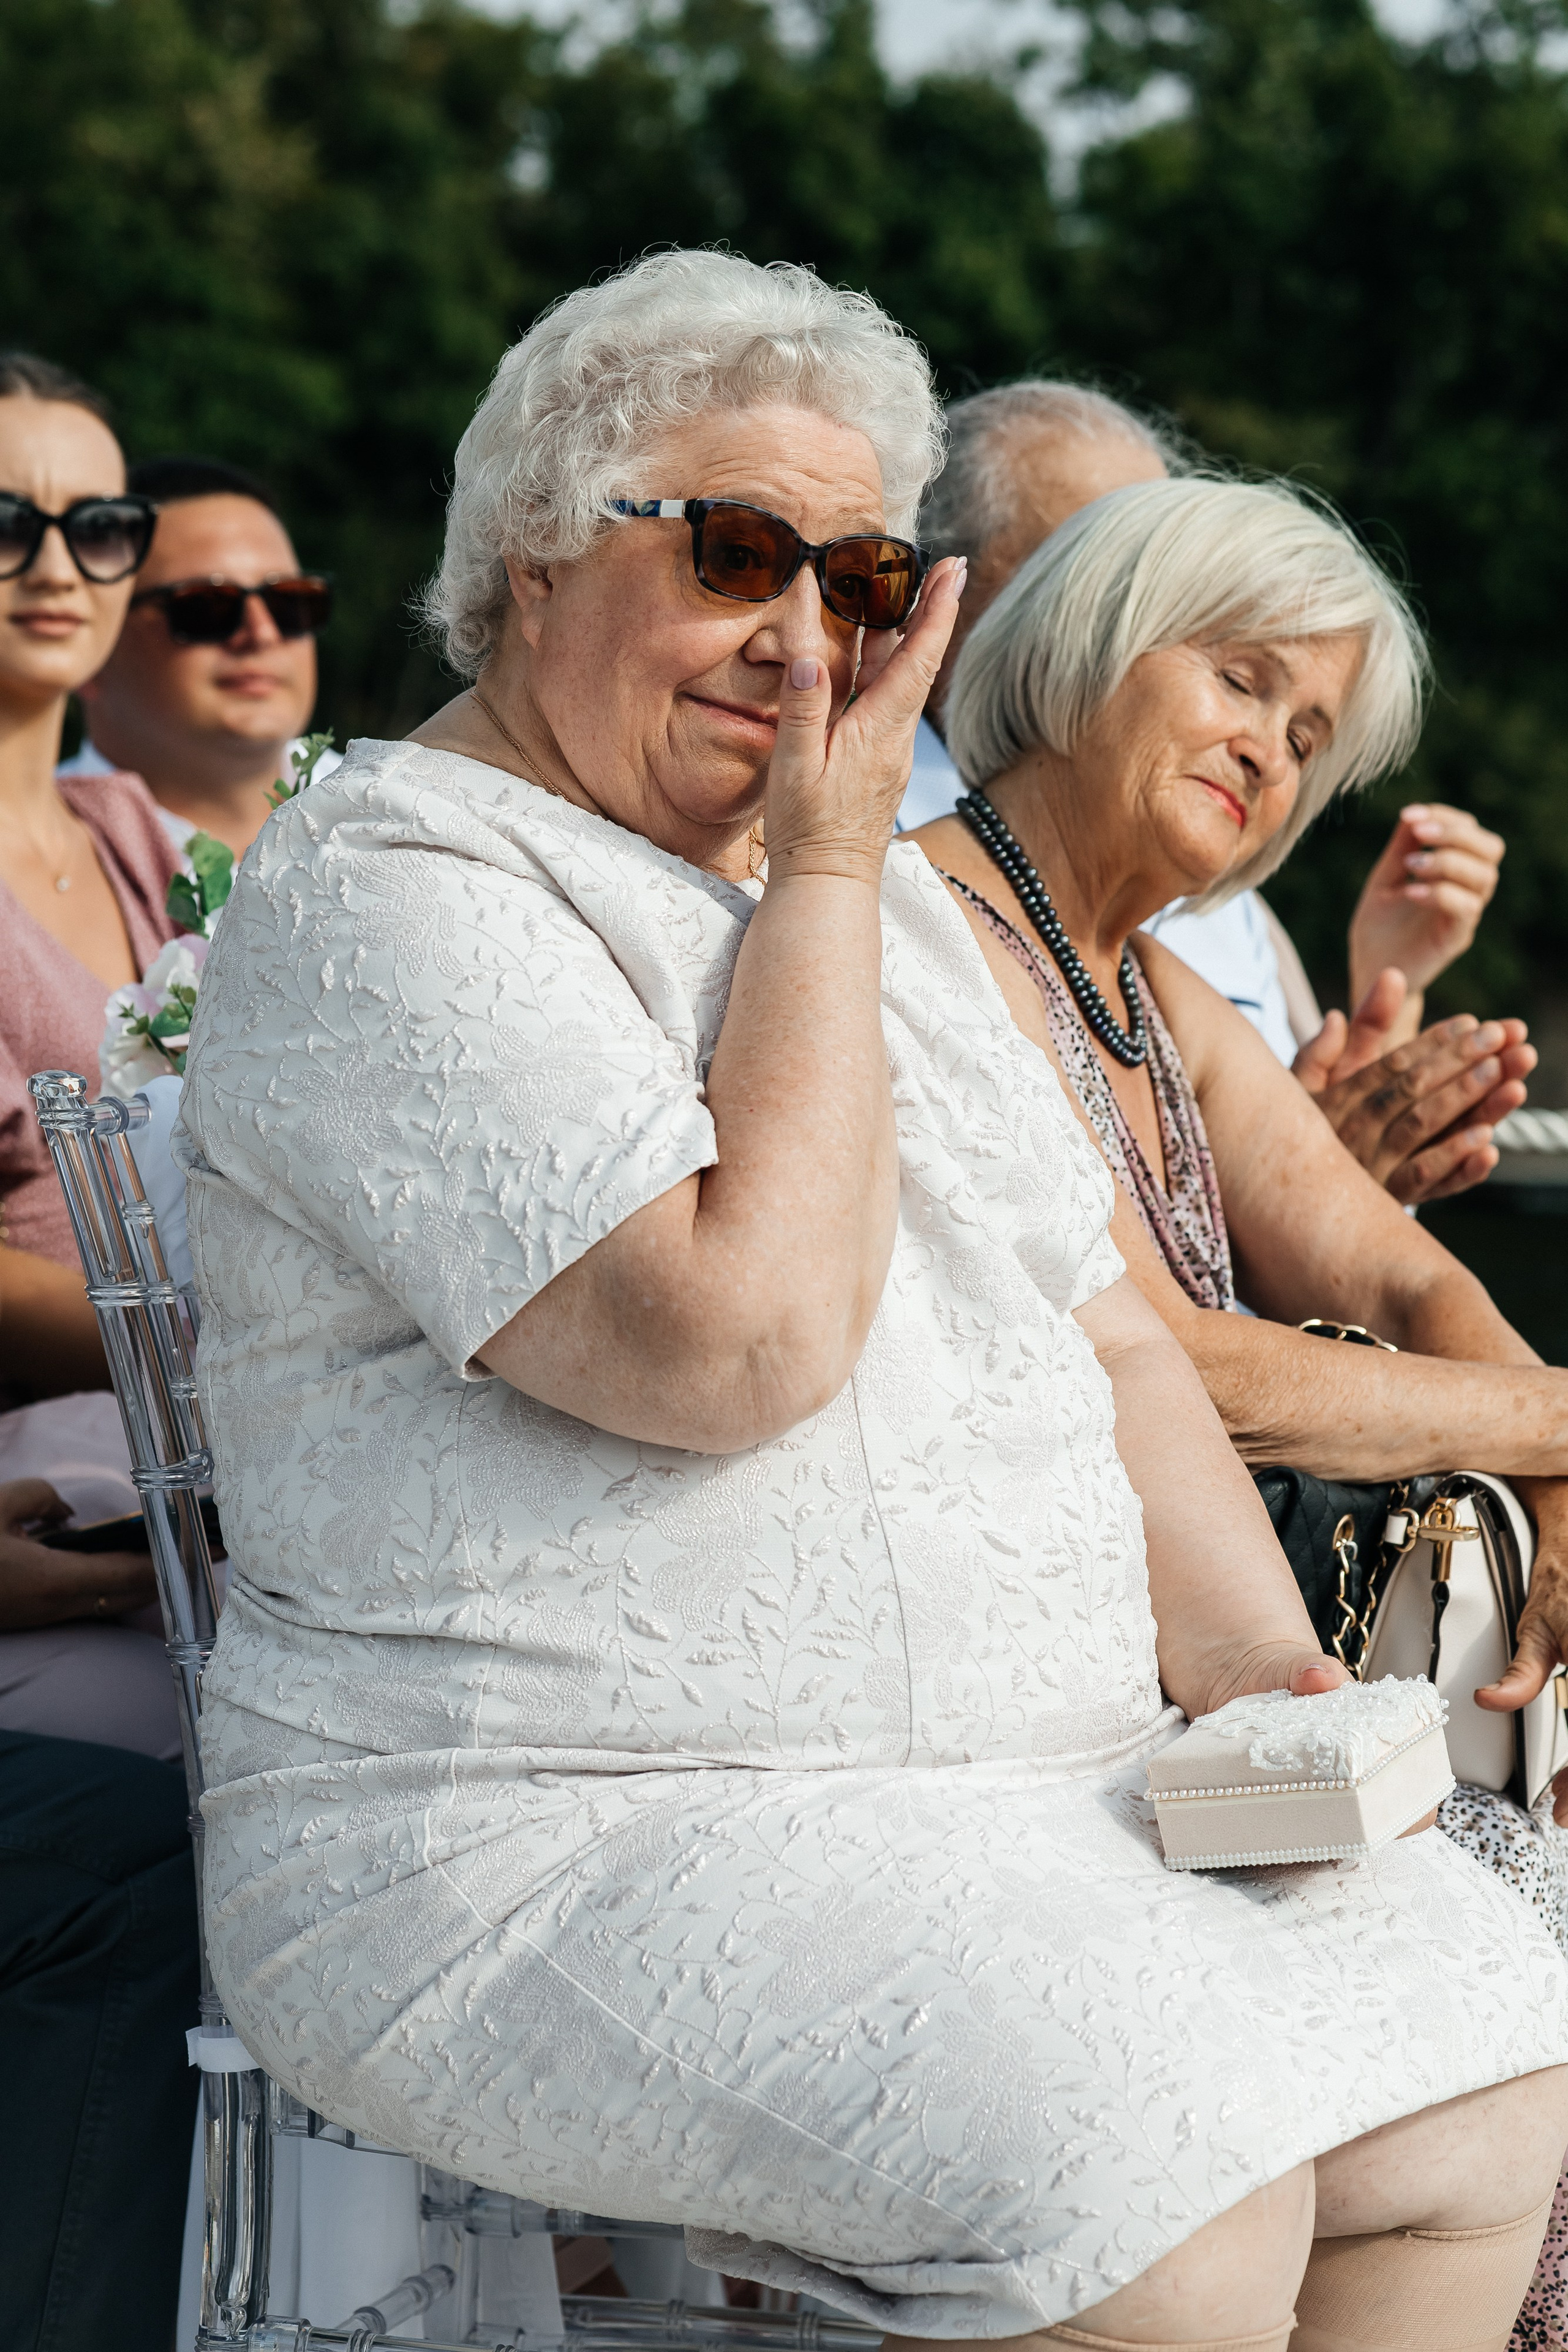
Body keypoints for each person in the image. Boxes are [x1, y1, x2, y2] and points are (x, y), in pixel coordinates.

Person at [181, 251, 1568, 2352]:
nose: (805, 634)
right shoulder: (401, 881)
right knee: (1154, 2189)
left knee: (1480, 2067)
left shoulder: (860, 912)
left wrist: (1267, 1679)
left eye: (858, 579)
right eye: (741, 550)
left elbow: (1098, 1327)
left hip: (1021, 1804)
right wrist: (830, 874)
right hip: (534, 1840)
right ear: (534, 551)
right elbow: (733, 1348)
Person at [916, 472, 1568, 1738]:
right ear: (1088, 633)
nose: (1270, 749)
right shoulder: (920, 925)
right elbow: (1175, 1367)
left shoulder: (1159, 994)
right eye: (1239, 680)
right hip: (1029, 1662)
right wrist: (1557, 1418)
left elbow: (1406, 1284)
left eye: (1306, 738)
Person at [904, 382, 1526, 1207]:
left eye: (1307, 741)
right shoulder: (858, 855)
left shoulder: (1228, 913)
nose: (1269, 754)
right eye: (1090, 554)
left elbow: (1341, 1231)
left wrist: (1392, 984)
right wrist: (1285, 1208)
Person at [0, 353, 178, 1400]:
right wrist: (229, 1332)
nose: (60, 570)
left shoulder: (141, 834)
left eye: (101, 527)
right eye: (8, 525)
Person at [63, 453, 338, 862]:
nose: (262, 634)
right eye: (207, 606)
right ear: (90, 646)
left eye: (291, 603)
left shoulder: (403, 806)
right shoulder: (27, 865)